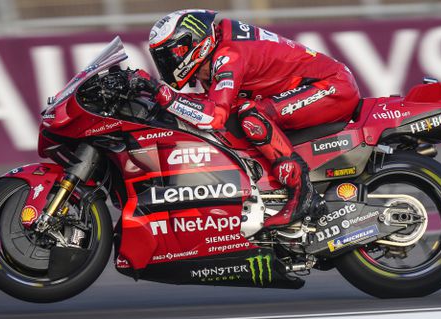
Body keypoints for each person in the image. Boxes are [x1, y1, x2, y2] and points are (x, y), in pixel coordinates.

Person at [136, 9, 360, 228]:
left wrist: (161, 93)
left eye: (171, 54)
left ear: (193, 44)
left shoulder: (228, 55)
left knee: (250, 115)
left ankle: (303, 194)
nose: (168, 63)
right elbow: (208, 105)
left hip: (333, 86)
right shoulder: (216, 53)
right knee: (241, 113)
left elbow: (212, 117)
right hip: (318, 85)